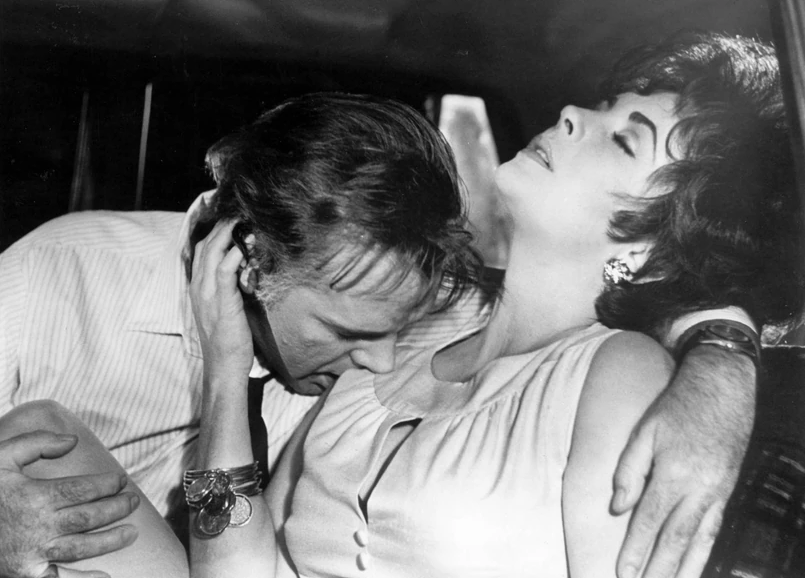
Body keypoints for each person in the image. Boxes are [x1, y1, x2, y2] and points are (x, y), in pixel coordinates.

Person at [0, 61, 775, 576]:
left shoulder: (620, 372)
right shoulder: (407, 318)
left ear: (644, 247)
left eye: (623, 138)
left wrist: (723, 346)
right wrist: (227, 369)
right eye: (599, 107)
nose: (573, 113)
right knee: (41, 434)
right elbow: (235, 566)